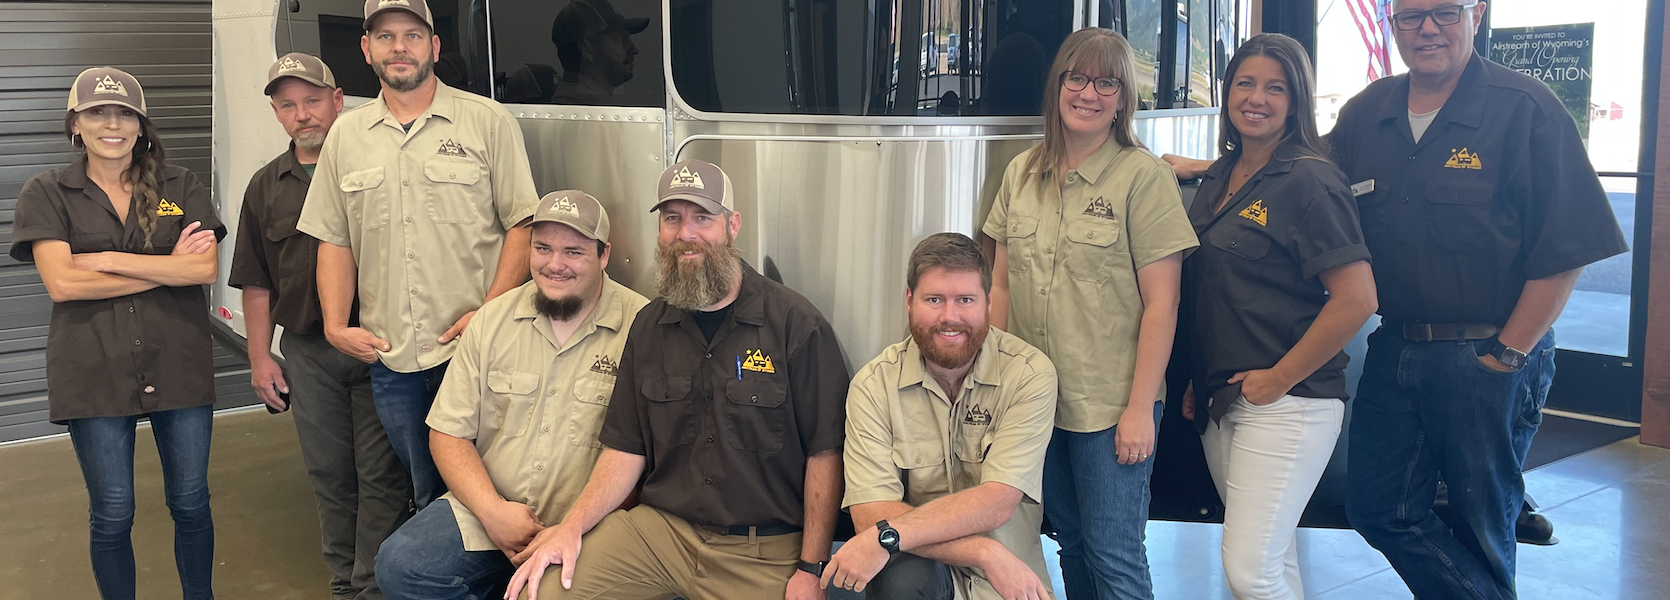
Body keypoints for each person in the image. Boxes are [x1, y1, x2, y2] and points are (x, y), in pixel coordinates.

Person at [1165, 2, 1628, 597]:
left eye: (1444, 12)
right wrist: (1212, 168)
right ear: (1394, 25)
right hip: (1397, 349)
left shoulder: (1526, 110)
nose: (1427, 29)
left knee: (1481, 526)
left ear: (1476, 14)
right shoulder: (1371, 110)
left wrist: (1508, 354)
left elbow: (1567, 248)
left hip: (1487, 352)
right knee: (1377, 509)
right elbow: (1292, 164)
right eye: (1410, 16)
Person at [504, 160, 849, 600]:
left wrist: (811, 569)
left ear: (732, 225)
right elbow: (625, 449)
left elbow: (826, 455)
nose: (686, 233)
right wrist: (570, 528)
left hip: (762, 548)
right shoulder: (649, 326)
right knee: (543, 591)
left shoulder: (796, 326)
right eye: (672, 218)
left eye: (702, 217)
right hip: (659, 535)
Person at [981, 27, 1199, 600]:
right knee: (1072, 542)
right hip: (1037, 402)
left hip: (1110, 406)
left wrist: (1140, 410)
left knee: (1114, 553)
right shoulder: (1021, 172)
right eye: (1077, 78)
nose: (1088, 93)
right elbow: (1000, 283)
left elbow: (1163, 304)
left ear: (1124, 99)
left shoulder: (1144, 178)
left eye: (1107, 83)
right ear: (1057, 86)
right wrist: (994, 382)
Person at [298, 0, 541, 510]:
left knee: (498, 487)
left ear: (434, 45)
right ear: (366, 49)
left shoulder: (486, 122)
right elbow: (334, 237)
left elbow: (522, 226)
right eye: (385, 37)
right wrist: (335, 325)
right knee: (428, 493)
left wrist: (489, 314)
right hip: (395, 361)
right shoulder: (346, 136)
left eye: (412, 35)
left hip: (476, 352)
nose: (399, 48)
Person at [1173, 34, 1377, 600]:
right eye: (1245, 83)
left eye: (1275, 88)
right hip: (1223, 397)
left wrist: (1278, 379)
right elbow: (1219, 293)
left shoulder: (1313, 181)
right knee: (1273, 562)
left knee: (1250, 572)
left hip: (1288, 403)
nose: (1256, 98)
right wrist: (1200, 377)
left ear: (1297, 100)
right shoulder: (1223, 175)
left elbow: (1357, 299)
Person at [12, 67, 223, 599]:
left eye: (125, 113)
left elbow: (203, 269)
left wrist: (105, 259)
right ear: (75, 125)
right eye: (97, 113)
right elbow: (63, 284)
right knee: (112, 511)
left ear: (141, 125)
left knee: (191, 502)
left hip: (178, 364)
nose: (112, 124)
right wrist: (164, 268)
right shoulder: (47, 192)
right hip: (93, 371)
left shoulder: (181, 185)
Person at [374, 191, 649, 598]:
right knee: (401, 566)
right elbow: (448, 433)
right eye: (543, 248)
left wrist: (574, 526)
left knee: (546, 593)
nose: (554, 264)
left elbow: (644, 458)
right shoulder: (492, 320)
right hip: (492, 510)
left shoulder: (642, 327)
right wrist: (492, 512)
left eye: (573, 252)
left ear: (603, 254)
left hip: (588, 523)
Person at [229, 53, 412, 600]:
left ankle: (372, 586)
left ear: (337, 101)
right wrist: (260, 357)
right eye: (288, 105)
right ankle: (344, 585)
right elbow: (256, 281)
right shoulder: (265, 187)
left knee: (382, 476)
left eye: (312, 101)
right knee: (330, 474)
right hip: (310, 354)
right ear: (276, 113)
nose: (302, 114)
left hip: (380, 346)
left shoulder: (377, 169)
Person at [826, 233, 1056, 600]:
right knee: (900, 580)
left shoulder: (1028, 374)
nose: (950, 317)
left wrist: (893, 533)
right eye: (934, 299)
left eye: (965, 300)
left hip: (1010, 584)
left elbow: (998, 500)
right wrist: (983, 552)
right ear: (909, 300)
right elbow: (870, 515)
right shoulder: (873, 386)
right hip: (926, 570)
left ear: (989, 303)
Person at [549, 0, 648, 105]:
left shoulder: (574, 105)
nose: (634, 49)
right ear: (586, 49)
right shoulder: (586, 108)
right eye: (621, 39)